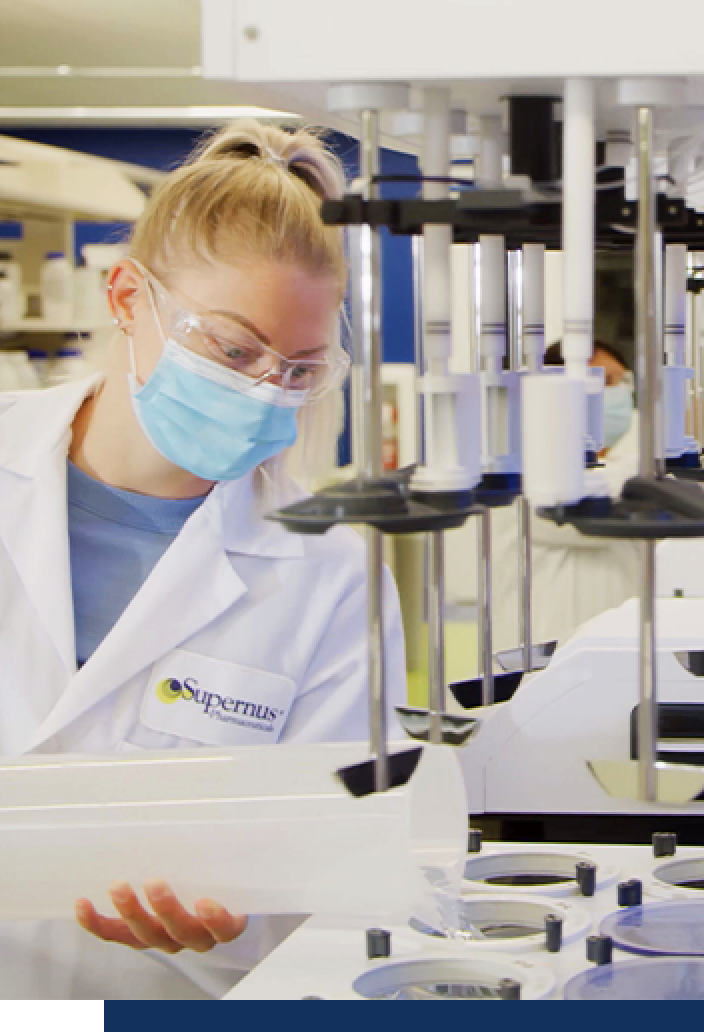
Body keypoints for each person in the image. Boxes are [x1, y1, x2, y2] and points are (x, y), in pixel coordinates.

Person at [0, 121, 405, 1000]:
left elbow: (342, 851)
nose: (264, 389)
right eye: (232, 347)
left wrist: (241, 913)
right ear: (124, 298)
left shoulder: (327, 568)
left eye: (299, 370)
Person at [489, 339, 641, 652]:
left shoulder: (614, 468)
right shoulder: (524, 473)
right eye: (609, 382)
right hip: (541, 665)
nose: (621, 395)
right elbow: (594, 503)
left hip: (615, 658)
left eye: (623, 382)